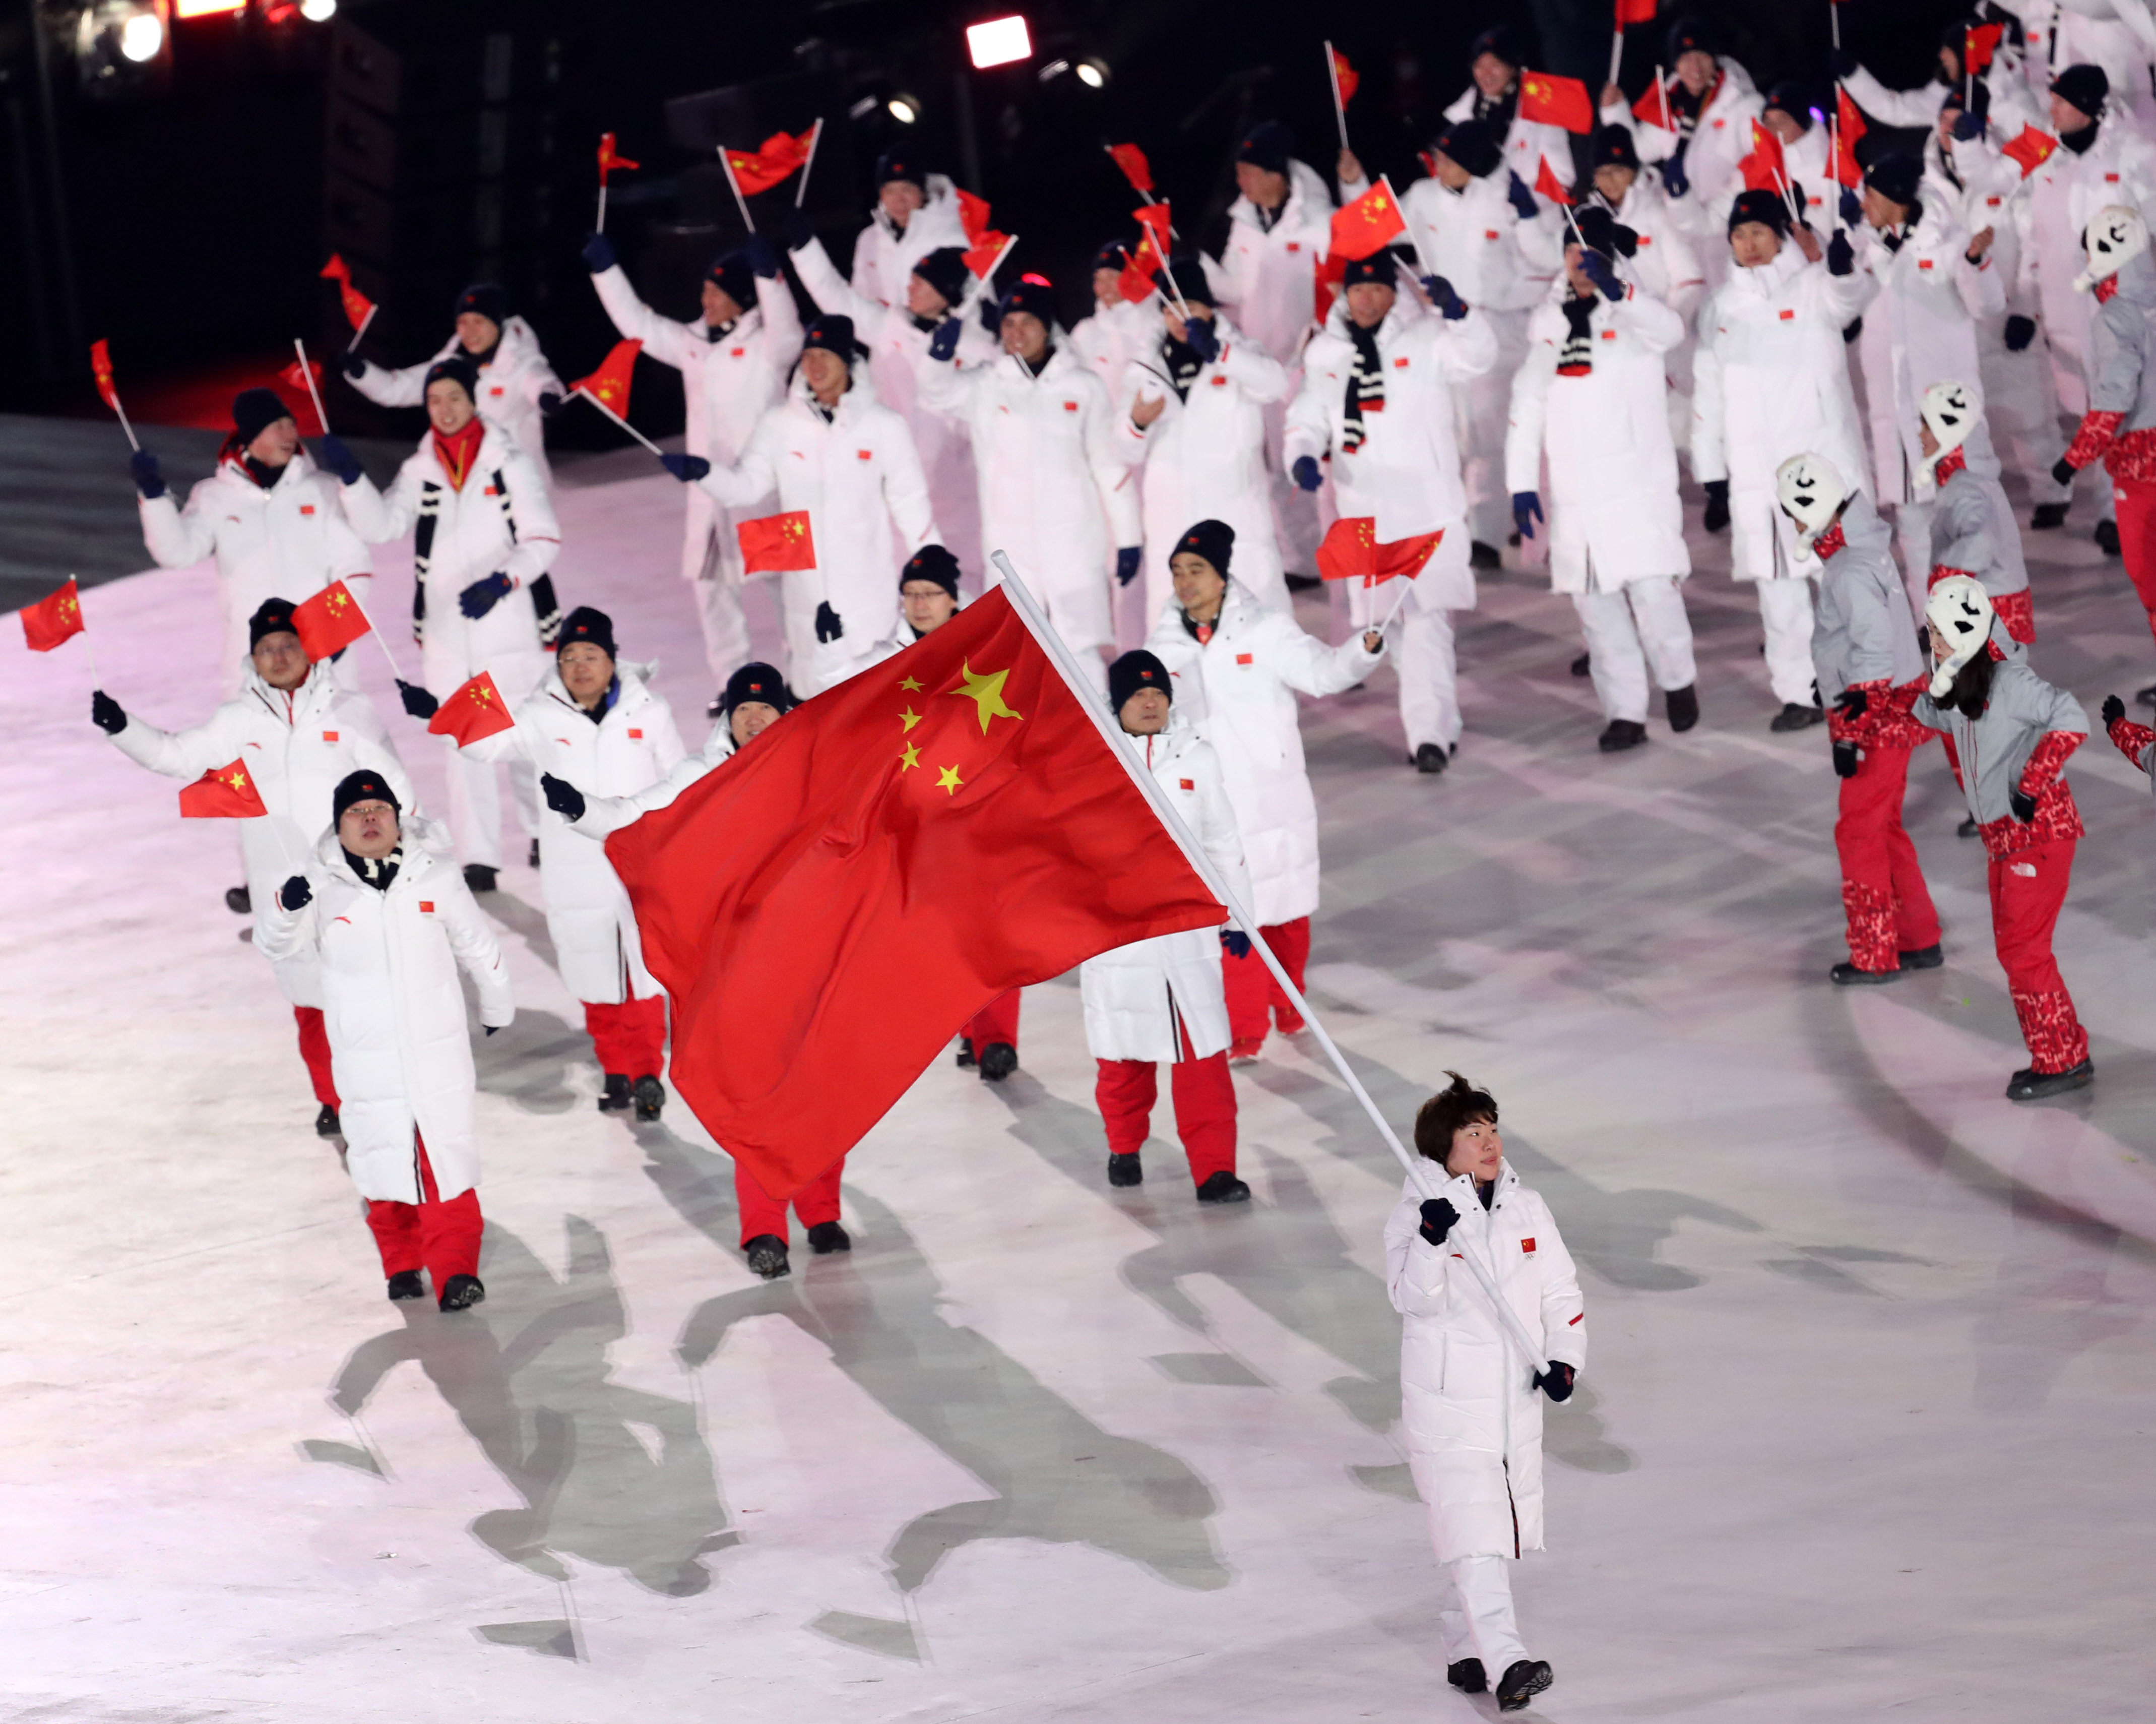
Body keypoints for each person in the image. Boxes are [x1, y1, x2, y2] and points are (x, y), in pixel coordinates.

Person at [90, 598, 414, 1137]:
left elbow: (400, 794)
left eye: (288, 644)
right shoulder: (236, 722)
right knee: (310, 1002)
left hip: (356, 887)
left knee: (367, 997)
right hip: (283, 891)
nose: (279, 656)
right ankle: (333, 1099)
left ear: (308, 648)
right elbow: (175, 756)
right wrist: (123, 727)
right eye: (266, 649)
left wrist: (404, 866)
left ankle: (385, 1092)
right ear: (253, 659)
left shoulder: (351, 712)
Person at [259, 771, 513, 1310]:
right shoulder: (319, 886)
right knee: (382, 1162)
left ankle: (456, 1272)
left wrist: (497, 1003)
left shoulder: (435, 876)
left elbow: (477, 944)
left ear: (398, 819)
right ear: (339, 825)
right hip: (365, 1058)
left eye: (379, 810)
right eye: (357, 812)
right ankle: (401, 1263)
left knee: (445, 1162)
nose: (370, 820)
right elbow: (275, 946)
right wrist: (287, 906)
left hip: (435, 1053)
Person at [1144, 521, 1386, 1058]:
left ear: (1222, 574)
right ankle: (1245, 1030)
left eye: (1197, 570)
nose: (1186, 582)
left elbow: (1321, 672)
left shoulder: (1264, 630)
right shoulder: (1163, 648)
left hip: (1271, 795)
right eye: (1178, 572)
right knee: (1233, 918)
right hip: (1207, 805)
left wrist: (1362, 652)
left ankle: (1289, 1000)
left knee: (1286, 911)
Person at [1383, 1072, 1583, 1714]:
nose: (1490, 1142)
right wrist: (1432, 1241)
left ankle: (1462, 1646)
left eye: (1493, 1130)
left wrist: (1564, 1361)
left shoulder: (1529, 1207)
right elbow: (1411, 1300)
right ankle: (1507, 1662)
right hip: (1449, 1402)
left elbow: (1561, 1292)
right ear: (1446, 1148)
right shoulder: (1418, 1208)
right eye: (1474, 1134)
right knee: (1476, 1533)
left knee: (1486, 1531)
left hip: (1512, 1403)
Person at [453, 607, 685, 1121]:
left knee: (643, 974)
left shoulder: (649, 712)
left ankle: (648, 1071)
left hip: (639, 867)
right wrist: (454, 706)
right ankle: (616, 1071)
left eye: (591, 656)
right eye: (570, 657)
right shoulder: (539, 715)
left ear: (612, 659)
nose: (580, 666)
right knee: (594, 974)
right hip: (575, 872)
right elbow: (485, 746)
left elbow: (680, 781)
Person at [339, 355, 561, 891]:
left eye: (454, 398)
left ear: (474, 398)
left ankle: (543, 832)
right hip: (445, 634)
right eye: (435, 400)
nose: (443, 409)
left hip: (510, 630)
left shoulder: (508, 463)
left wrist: (503, 582)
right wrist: (352, 481)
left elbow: (543, 538)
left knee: (525, 738)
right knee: (463, 744)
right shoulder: (421, 469)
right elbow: (385, 524)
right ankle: (479, 855)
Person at [1285, 251, 1495, 771]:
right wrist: (1302, 455)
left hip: (1424, 508)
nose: (1367, 299)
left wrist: (1460, 313)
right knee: (1392, 629)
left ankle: (1427, 736)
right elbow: (1307, 415)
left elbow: (1478, 356)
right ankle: (1437, 720)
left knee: (1427, 621)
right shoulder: (1326, 354)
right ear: (1345, 295)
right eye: (1358, 290)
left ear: (1392, 293)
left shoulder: (1425, 338)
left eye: (1378, 289)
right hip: (1363, 512)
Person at [581, 230, 801, 710]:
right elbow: (637, 324)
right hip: (708, 496)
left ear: (742, 300)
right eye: (704, 290)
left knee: (787, 590)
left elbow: (788, 327)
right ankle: (732, 682)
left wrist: (771, 278)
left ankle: (803, 678)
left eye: (716, 292)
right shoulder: (693, 343)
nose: (705, 300)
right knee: (712, 590)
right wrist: (606, 272)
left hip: (764, 491)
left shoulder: (770, 345)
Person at [1506, 207, 1699, 752]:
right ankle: (1626, 712)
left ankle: (1678, 678)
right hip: (1577, 497)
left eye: (1588, 251)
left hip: (1636, 486)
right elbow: (1528, 403)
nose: (1579, 261)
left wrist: (1621, 291)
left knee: (1654, 595)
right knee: (1597, 611)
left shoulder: (1635, 316)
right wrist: (1522, 483)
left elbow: (1671, 329)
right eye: (1571, 250)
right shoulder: (1548, 323)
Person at [667, 314, 937, 698]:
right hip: (807, 602)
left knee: (879, 709)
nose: (815, 366)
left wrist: (935, 567)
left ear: (848, 362)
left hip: (868, 603)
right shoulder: (779, 425)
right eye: (809, 356)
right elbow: (746, 487)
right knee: (816, 709)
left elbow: (912, 506)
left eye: (826, 355)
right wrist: (705, 472)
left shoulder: (883, 427)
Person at [1692, 190, 1876, 730]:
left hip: (1820, 460)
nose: (1748, 244)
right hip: (1756, 473)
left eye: (1758, 232)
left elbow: (1848, 301)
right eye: (1739, 234)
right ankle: (1800, 691)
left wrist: (1838, 267)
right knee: (1776, 586)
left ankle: (1869, 679)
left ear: (1780, 235)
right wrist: (1712, 471)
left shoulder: (1813, 285)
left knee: (1842, 578)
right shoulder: (1722, 307)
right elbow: (1708, 393)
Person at [1082, 651, 1254, 1203]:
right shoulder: (1091, 762)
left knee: (1202, 1057)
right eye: (1137, 695)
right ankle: (1124, 1144)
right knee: (1123, 1055)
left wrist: (1238, 917)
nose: (1150, 702)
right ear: (1117, 703)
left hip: (1186, 937)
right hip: (1120, 938)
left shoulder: (1197, 758)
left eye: (1157, 694)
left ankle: (1215, 1170)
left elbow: (1223, 843)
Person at [1914, 577, 2095, 1098]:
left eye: (1940, 635)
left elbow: (2072, 717)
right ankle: (2058, 1052)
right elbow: (1932, 714)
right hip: (2003, 836)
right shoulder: (1966, 680)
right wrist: (1923, 684)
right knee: (2017, 949)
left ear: (1966, 632)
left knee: (2023, 950)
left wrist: (2033, 783)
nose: (1933, 644)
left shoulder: (2011, 681)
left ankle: (2064, 1059)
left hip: (2036, 832)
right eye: (1930, 634)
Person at [918, 280, 1139, 695]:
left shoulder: (1083, 386)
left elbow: (1109, 467)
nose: (1016, 332)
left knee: (1085, 653)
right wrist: (938, 357)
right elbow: (937, 392)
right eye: (1008, 323)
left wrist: (1129, 538)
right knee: (1015, 656)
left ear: (1047, 327)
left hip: (1074, 544)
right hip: (1011, 549)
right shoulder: (986, 385)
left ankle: (1100, 747)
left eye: (1027, 322)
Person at [1775, 452, 1944, 984]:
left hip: (1877, 718)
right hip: (1891, 706)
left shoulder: (1848, 569)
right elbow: (1870, 639)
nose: (1795, 525)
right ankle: (1919, 937)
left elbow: (1873, 651)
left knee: (1859, 833)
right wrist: (1831, 678)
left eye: (1795, 513)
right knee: (1883, 827)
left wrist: (1850, 728)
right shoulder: (1864, 552)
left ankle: (1876, 952)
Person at [130, 387, 375, 701]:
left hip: (322, 656)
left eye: (292, 424)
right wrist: (154, 500)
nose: (291, 434)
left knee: (338, 746)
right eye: (278, 427)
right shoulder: (214, 497)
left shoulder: (323, 490)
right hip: (251, 661)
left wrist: (330, 635)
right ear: (253, 437)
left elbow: (354, 564)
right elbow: (177, 554)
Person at [788, 222, 995, 582]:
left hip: (960, 491)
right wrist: (806, 248)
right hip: (900, 481)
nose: (909, 288)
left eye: (920, 282)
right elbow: (837, 297)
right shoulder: (889, 326)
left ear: (945, 292)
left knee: (967, 589)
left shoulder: (978, 347)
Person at [1851, 152, 2007, 616]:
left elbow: (1989, 305)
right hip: (1893, 410)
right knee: (1912, 519)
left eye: (1871, 195)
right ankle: (1929, 616)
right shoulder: (1868, 248)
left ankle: (1980, 612)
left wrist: (1978, 262)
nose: (1863, 205)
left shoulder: (1949, 244)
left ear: (1896, 199)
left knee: (1963, 515)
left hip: (1945, 408)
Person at [1386, 118, 1544, 560]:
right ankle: (1467, 530)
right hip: (1447, 326)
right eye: (1437, 157)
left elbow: (1545, 257)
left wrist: (1530, 215)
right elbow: (1380, 229)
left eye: (1448, 158)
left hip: (1505, 326)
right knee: (1455, 432)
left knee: (1490, 433)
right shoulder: (1422, 197)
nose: (1438, 165)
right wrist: (1354, 183)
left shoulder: (1507, 196)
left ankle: (1490, 534)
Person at [1207, 120, 1353, 576]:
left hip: (1313, 363)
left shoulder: (1316, 223)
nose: (1240, 182)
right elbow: (1234, 287)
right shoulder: (1245, 225)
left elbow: (1341, 282)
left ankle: (1343, 549)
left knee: (1323, 462)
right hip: (1264, 365)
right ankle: (1303, 560)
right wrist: (1192, 268)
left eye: (1248, 172)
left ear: (1275, 175)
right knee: (1278, 464)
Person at [1113, 258, 1291, 627]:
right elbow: (1124, 449)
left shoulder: (1241, 351)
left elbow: (1275, 384)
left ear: (1209, 309)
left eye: (1190, 307)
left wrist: (1220, 354)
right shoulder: (1145, 368)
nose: (1181, 318)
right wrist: (1137, 424)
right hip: (1173, 524)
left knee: (1259, 628)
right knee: (1178, 639)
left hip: (1235, 518)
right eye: (1171, 309)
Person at [1926, 85, 2073, 527]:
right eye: (1945, 120)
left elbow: (2033, 242)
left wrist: (2028, 310)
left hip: (2006, 310)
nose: (1951, 129)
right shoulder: (1924, 181)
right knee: (1962, 418)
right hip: (1953, 317)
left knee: (2030, 414)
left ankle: (2052, 491)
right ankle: (1971, 497)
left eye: (1960, 120)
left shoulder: (2009, 174)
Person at [2023, 64, 2156, 549]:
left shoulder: (2136, 156)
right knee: (2089, 412)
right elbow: (2033, 239)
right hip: (2067, 313)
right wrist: (2026, 300)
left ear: (2086, 106)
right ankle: (2116, 505)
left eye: (2061, 101)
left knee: (2122, 409)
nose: (2052, 109)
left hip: (2122, 310)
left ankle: (2116, 511)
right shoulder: (2049, 165)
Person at [2051, 206, 2156, 703]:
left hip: (2142, 466)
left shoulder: (2115, 317)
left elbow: (2115, 396)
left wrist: (2073, 460)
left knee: (2148, 572)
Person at [343, 282, 567, 490]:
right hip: (466, 489)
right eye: (462, 322)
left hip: (519, 488)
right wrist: (363, 373)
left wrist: (548, 398)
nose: (469, 332)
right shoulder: (449, 368)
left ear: (497, 323)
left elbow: (542, 382)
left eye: (478, 322)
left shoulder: (520, 365)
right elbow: (398, 388)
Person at [1603, 17, 1763, 218]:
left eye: (1702, 56)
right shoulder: (1669, 105)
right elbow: (1635, 153)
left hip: (1731, 221)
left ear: (1714, 59)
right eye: (1686, 59)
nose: (1695, 67)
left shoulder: (1744, 105)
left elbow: (1762, 162)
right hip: (1683, 220)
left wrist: (1729, 204)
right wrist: (1615, 112)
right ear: (1676, 66)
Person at [1916, 380, 2035, 648]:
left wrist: (1944, 579)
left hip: (1989, 607)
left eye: (1927, 427)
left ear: (1948, 431)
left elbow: (1980, 541)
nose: (1920, 436)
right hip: (1994, 600)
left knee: (1985, 685)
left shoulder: (1967, 486)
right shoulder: (1967, 479)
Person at [1837, 13, 2038, 139]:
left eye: (1949, 49)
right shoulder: (1946, 94)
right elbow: (1896, 110)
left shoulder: (2014, 99)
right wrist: (1854, 74)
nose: (1941, 56)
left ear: (1967, 54)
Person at [1444, 23, 1576, 205]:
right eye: (1479, 66)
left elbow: (1561, 178)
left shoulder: (1541, 113)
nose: (1486, 74)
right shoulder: (1460, 117)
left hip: (1530, 217)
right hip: (1478, 218)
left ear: (1514, 68)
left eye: (1495, 65)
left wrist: (1525, 206)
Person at [848, 149, 970, 311]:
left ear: (922, 191)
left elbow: (973, 294)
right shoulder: (869, 239)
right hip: (887, 333)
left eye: (907, 189)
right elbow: (860, 299)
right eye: (890, 191)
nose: (899, 200)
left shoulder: (951, 233)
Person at [1071, 240, 1156, 405]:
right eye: (1099, 279)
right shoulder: (1086, 330)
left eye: (1112, 276)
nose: (1104, 286)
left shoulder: (1153, 322)